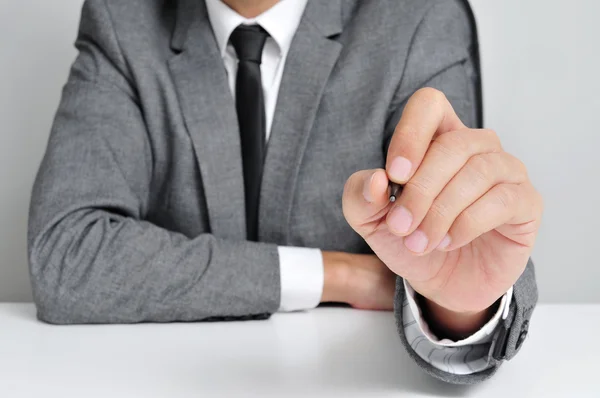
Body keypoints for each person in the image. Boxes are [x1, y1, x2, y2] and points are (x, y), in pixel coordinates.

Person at [28, 0, 542, 385]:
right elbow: (66, 257)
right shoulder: (124, 19)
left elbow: (450, 253)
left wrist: (461, 311)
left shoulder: (416, 16)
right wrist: (336, 275)